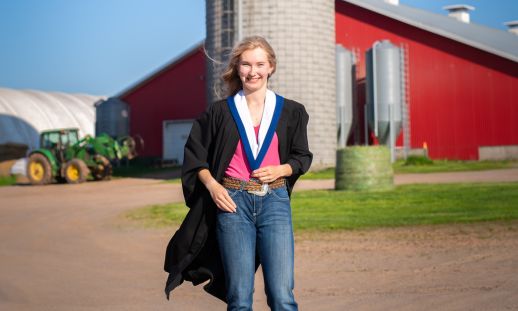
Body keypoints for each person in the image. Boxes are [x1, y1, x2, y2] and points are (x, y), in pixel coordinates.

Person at [164, 36, 312, 311]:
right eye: (245, 64)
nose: (252, 71)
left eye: (259, 64)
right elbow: (196, 157)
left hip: (274, 202)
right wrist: (214, 187)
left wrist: (282, 168)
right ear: (237, 67)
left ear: (271, 67)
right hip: (232, 204)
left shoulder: (292, 111)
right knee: (239, 297)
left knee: (281, 295)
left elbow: (302, 157)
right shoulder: (219, 112)